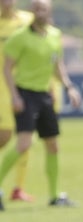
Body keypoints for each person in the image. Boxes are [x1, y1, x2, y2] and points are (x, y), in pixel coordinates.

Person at [0, 0, 79, 211]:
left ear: (49, 12)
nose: (39, 12)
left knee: (52, 145)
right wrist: (15, 96)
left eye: (43, 9)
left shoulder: (54, 35)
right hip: (25, 93)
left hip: (45, 94)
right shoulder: (20, 38)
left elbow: (57, 65)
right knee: (24, 143)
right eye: (35, 8)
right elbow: (7, 68)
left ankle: (55, 195)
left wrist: (68, 86)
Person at [0, 0, 36, 209]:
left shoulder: (27, 20)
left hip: (25, 84)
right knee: (4, 136)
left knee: (26, 135)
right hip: (2, 87)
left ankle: (18, 188)